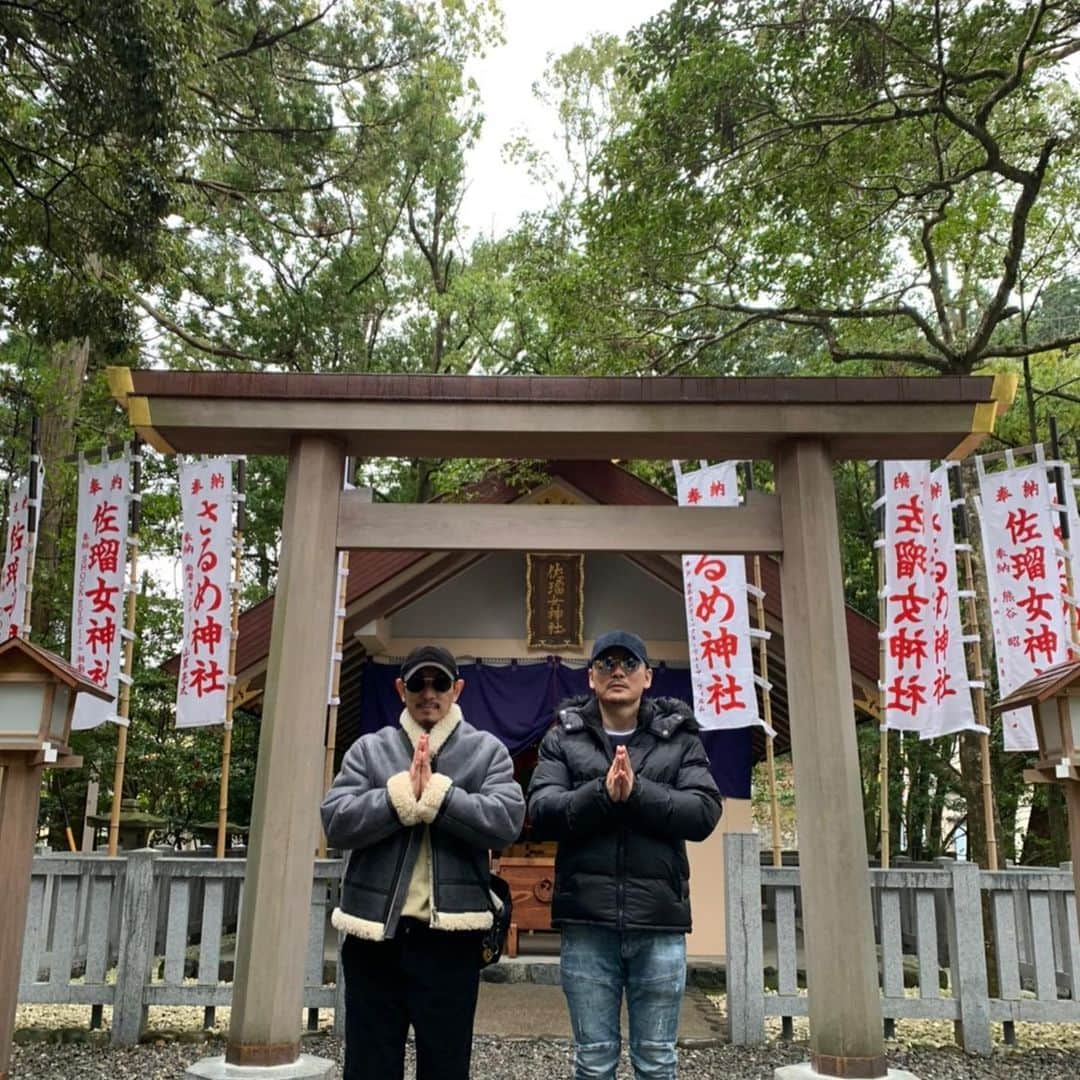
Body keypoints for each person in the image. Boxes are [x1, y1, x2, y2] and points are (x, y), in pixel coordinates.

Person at [321, 644, 525, 1080]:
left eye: (440, 683)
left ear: (458, 689)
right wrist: (398, 798)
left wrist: (441, 798)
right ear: (400, 689)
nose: (428, 692)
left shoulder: (487, 753)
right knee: (369, 1066)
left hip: (451, 941)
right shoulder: (368, 750)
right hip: (375, 938)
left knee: (446, 1067)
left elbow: (507, 820)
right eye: (417, 682)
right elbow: (335, 820)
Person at [527, 630, 722, 1080]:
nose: (618, 671)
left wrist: (637, 794)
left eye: (629, 663)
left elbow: (704, 811)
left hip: (659, 923)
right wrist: (601, 793)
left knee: (656, 1061)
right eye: (606, 664)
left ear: (647, 677)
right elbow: (541, 810)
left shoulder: (679, 739)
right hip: (587, 923)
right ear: (591, 677)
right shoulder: (562, 739)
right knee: (592, 1061)